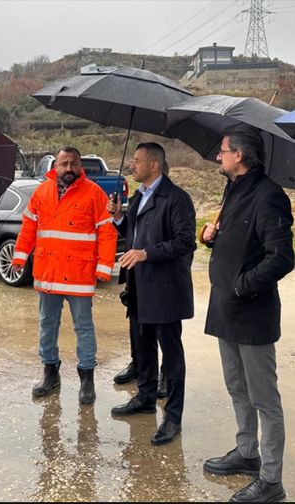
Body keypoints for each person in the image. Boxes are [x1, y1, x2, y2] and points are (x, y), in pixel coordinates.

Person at [200, 126, 293, 503]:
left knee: (264, 400)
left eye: (223, 151)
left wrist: (241, 285)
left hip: (251, 312)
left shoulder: (269, 196)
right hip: (226, 309)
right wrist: (212, 237)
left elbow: (282, 257)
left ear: (239, 155)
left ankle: (271, 480)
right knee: (237, 388)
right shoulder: (233, 189)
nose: (218, 157)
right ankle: (247, 452)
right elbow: (241, 243)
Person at [11, 146, 117, 404]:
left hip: (79, 276)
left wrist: (104, 266)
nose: (69, 168)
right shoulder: (41, 193)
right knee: (47, 326)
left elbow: (107, 232)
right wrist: (19, 256)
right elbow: (28, 228)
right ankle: (50, 374)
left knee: (83, 327)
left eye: (73, 164)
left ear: (80, 166)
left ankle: (87, 379)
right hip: (48, 274)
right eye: (64, 164)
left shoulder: (94, 193)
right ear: (55, 166)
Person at [107, 143, 195, 446]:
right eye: (132, 160)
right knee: (142, 348)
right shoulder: (138, 196)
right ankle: (144, 398)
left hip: (166, 290)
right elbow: (132, 236)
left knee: (171, 357)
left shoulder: (177, 199)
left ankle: (173, 417)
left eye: (138, 161)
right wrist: (119, 218)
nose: (133, 165)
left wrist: (146, 253)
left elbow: (185, 243)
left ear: (154, 165)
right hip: (139, 288)